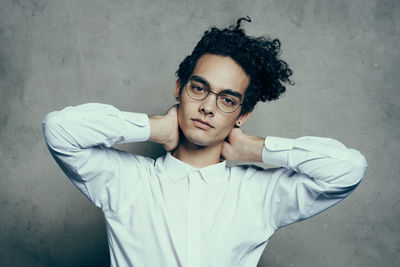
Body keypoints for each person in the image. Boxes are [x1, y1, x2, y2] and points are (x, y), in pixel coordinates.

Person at [42, 17, 367, 267]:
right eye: (199, 89)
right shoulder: (125, 180)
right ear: (179, 89)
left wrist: (254, 149)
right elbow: (59, 129)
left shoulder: (262, 194)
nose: (208, 106)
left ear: (243, 114)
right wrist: (154, 127)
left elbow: (348, 168)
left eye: (227, 99)